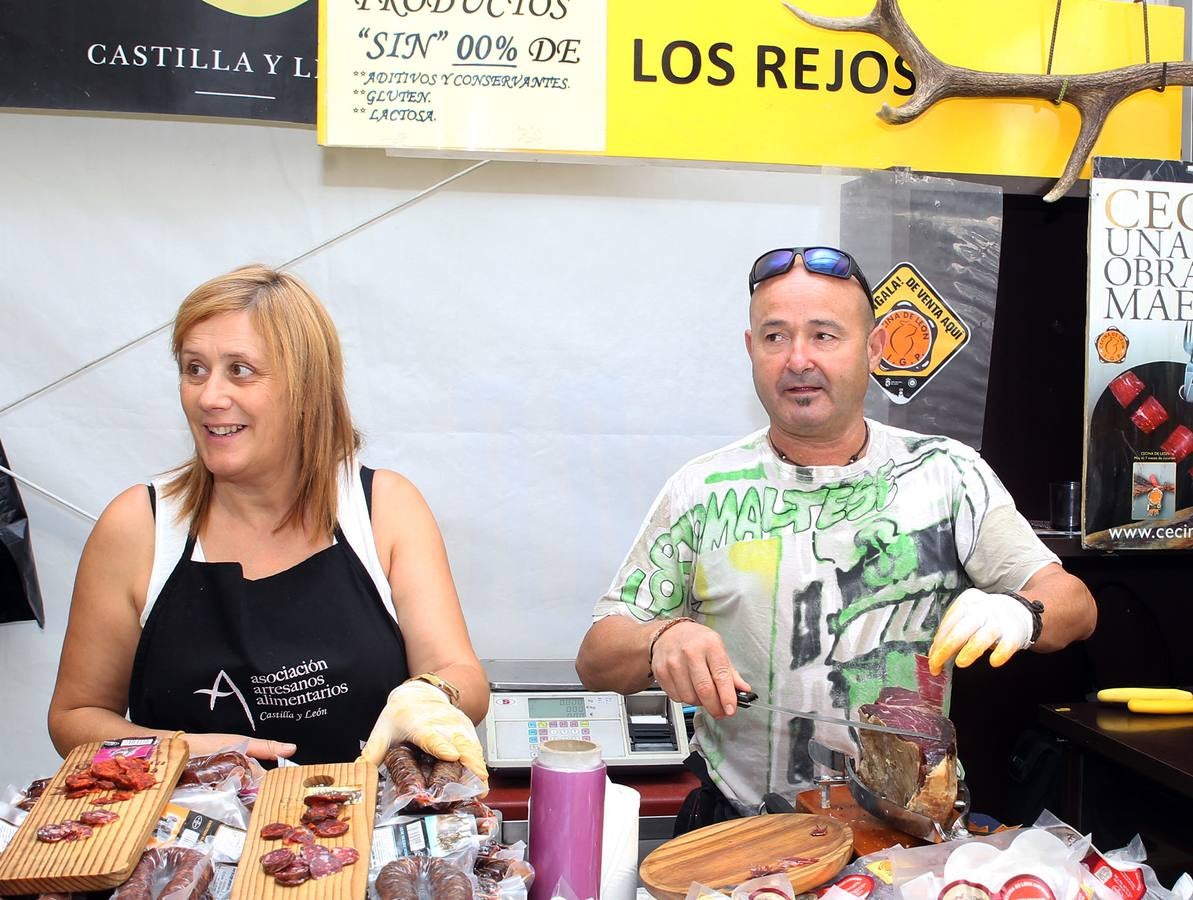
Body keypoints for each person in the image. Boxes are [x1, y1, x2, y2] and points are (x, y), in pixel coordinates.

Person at [575, 246, 1097, 831]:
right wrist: (661, 638)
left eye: (824, 335)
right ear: (750, 350)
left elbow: (1075, 605)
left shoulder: (948, 474)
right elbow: (596, 660)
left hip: (906, 834)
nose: (798, 360)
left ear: (873, 349)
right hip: (738, 832)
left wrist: (1021, 612)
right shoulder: (702, 489)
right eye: (775, 337)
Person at [48, 264, 488, 780]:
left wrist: (430, 697)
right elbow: (73, 718)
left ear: (307, 388)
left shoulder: (384, 509)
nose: (209, 396)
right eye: (194, 368)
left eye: (240, 369)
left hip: (365, 831)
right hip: (185, 841)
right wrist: (185, 749)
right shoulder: (137, 526)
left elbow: (465, 678)